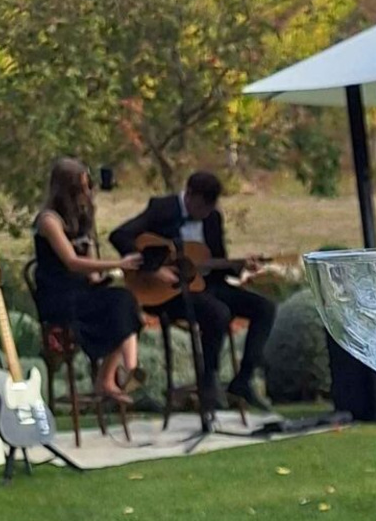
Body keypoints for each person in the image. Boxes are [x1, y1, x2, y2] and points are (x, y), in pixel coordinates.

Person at [111, 169, 275, 416]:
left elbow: (215, 264)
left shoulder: (212, 219)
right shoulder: (161, 209)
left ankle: (243, 380)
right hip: (169, 293)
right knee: (218, 313)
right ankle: (208, 380)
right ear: (189, 196)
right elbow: (119, 236)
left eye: (211, 207)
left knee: (265, 308)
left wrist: (239, 266)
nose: (206, 212)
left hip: (207, 286)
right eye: (202, 206)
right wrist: (153, 269)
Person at [32, 157, 142, 414]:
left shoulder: (81, 217)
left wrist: (106, 273)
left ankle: (117, 375)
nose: (87, 192)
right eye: (81, 188)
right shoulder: (49, 221)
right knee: (116, 307)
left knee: (124, 300)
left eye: (88, 186)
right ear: (66, 190)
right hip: (60, 294)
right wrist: (118, 262)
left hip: (83, 290)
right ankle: (122, 374)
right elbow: (71, 262)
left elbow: (90, 264)